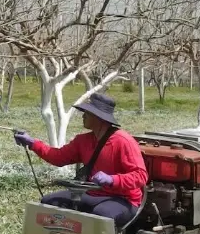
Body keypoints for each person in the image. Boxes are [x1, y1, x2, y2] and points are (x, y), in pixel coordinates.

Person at [14, 92, 148, 226]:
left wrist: (112, 180)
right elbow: (58, 158)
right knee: (48, 203)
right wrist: (32, 143)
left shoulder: (123, 141)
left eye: (87, 113)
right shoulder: (82, 141)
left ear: (98, 117)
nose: (83, 116)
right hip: (92, 193)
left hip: (123, 199)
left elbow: (140, 176)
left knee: (100, 215)